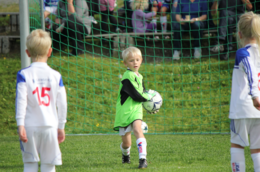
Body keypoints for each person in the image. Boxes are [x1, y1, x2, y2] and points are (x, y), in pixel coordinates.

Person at [16, 29, 67, 172]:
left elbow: (21, 101)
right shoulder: (56, 76)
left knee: (30, 164)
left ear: (27, 53)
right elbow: (62, 104)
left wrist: (20, 124)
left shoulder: (23, 74)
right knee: (49, 165)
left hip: (29, 127)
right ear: (49, 52)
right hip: (50, 126)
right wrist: (61, 126)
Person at [113, 47, 158, 169]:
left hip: (136, 110)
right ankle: (125, 154)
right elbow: (136, 94)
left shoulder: (140, 76)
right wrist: (148, 98)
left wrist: (151, 107)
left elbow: (142, 92)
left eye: (137, 60)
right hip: (125, 111)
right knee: (127, 143)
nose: (135, 63)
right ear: (125, 63)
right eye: (131, 60)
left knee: (138, 130)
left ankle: (143, 159)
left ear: (141, 60)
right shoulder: (127, 76)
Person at [229, 12, 260, 172]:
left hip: (243, 108)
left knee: (237, 144)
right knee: (257, 149)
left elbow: (250, 71)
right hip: (258, 110)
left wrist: (255, 95)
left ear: (239, 34)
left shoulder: (242, 53)